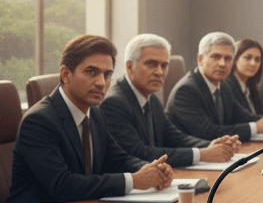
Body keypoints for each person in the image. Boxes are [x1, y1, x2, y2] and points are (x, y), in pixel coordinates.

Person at [3, 34, 174, 203]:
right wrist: (134, 180)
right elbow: (63, 186)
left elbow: (119, 160)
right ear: (66, 74)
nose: (101, 83)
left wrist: (153, 169)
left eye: (107, 74)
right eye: (91, 72)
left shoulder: (95, 114)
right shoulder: (38, 121)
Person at [101, 33, 242, 167]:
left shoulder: (152, 99)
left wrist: (212, 145)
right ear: (129, 66)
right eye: (151, 64)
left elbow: (175, 137)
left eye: (164, 65)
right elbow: (140, 152)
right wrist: (202, 154)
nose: (159, 72)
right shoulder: (114, 103)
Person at [165, 32, 263, 141]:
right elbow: (208, 132)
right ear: (200, 59)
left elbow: (242, 116)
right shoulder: (187, 90)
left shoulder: (223, 85)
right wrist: (258, 127)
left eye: (228, 58)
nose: (222, 64)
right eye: (216, 57)